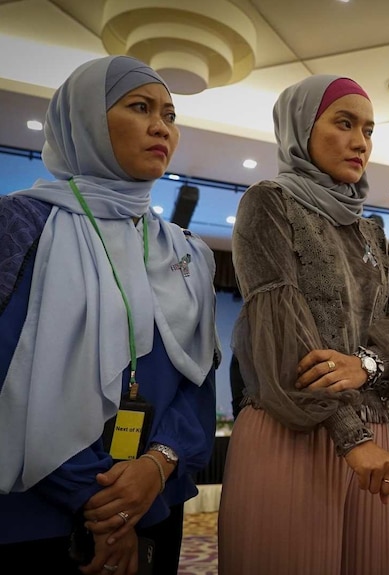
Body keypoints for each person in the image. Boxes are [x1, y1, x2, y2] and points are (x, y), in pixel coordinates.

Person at [0, 56, 218, 575]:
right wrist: (102, 504)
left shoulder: (184, 250)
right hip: (36, 508)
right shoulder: (19, 225)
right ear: (86, 120)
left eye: (169, 114)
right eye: (139, 107)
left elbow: (199, 379)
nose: (161, 126)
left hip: (155, 501)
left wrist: (157, 465)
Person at [217, 75, 389, 575]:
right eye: (344, 123)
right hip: (294, 427)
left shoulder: (370, 230)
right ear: (301, 127)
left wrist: (366, 364)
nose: (361, 142)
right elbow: (281, 336)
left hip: (374, 435)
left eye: (369, 129)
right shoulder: (269, 202)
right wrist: (350, 438)